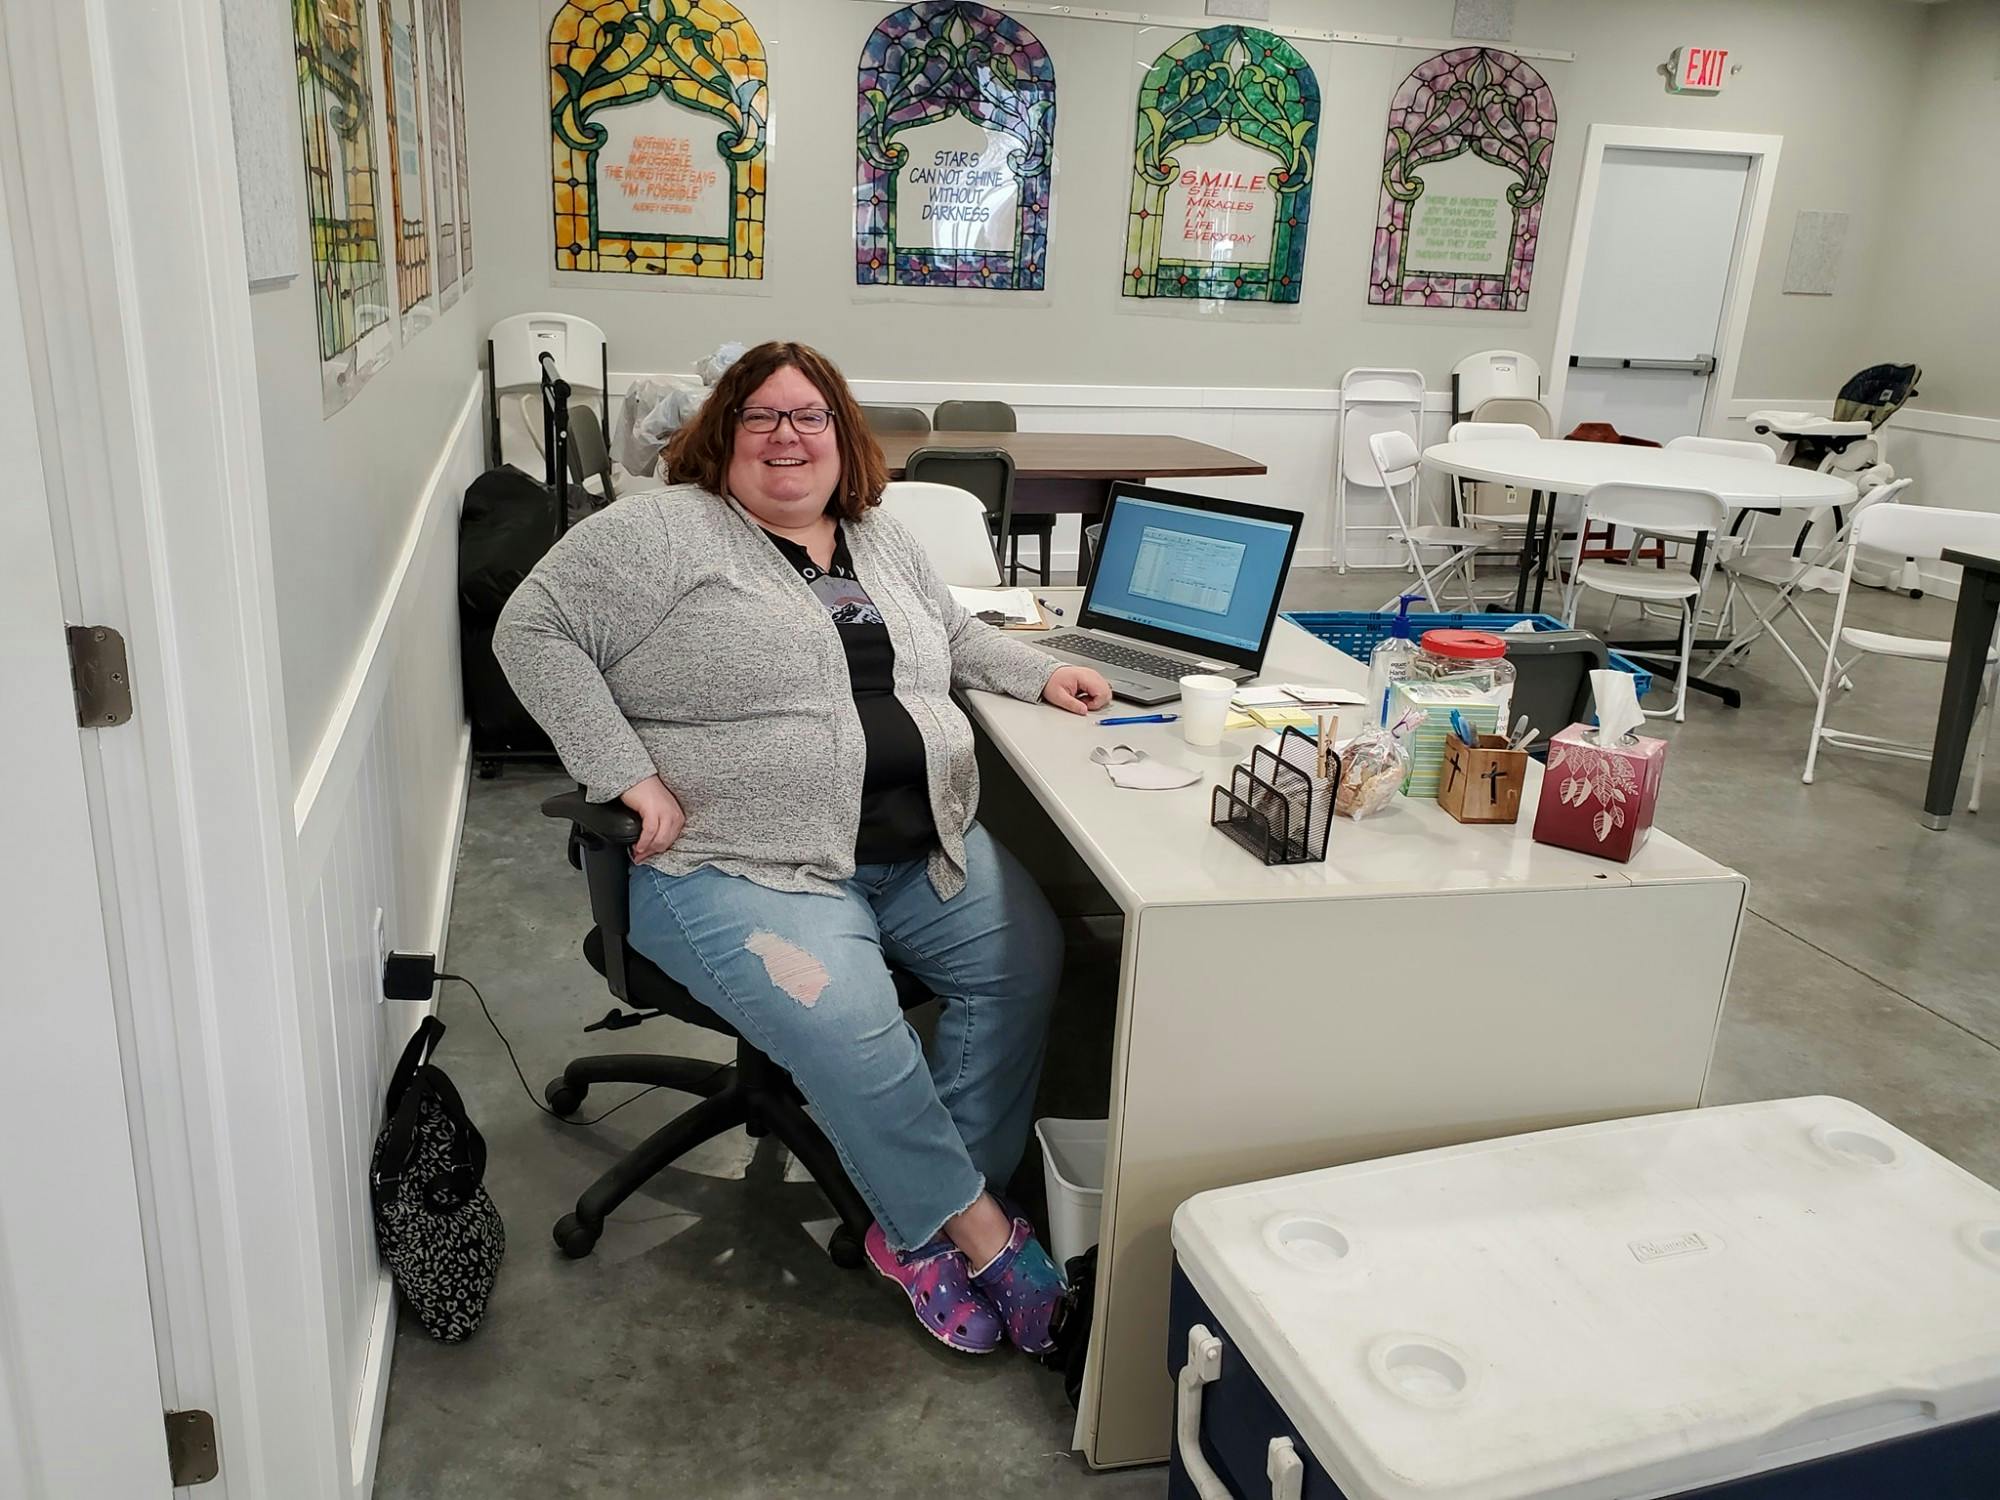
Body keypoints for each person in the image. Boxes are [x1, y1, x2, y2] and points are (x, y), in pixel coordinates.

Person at [495, 341, 1112, 1358]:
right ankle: (974, 1237)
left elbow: (951, 638)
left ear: (842, 436)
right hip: (742, 859)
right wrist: (622, 771)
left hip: (918, 847)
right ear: (721, 435)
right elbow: (533, 629)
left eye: (810, 416)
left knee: (1024, 960)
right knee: (858, 1024)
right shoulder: (660, 531)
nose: (787, 437)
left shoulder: (880, 535)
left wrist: (1033, 672)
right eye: (761, 418)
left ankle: (928, 1211)